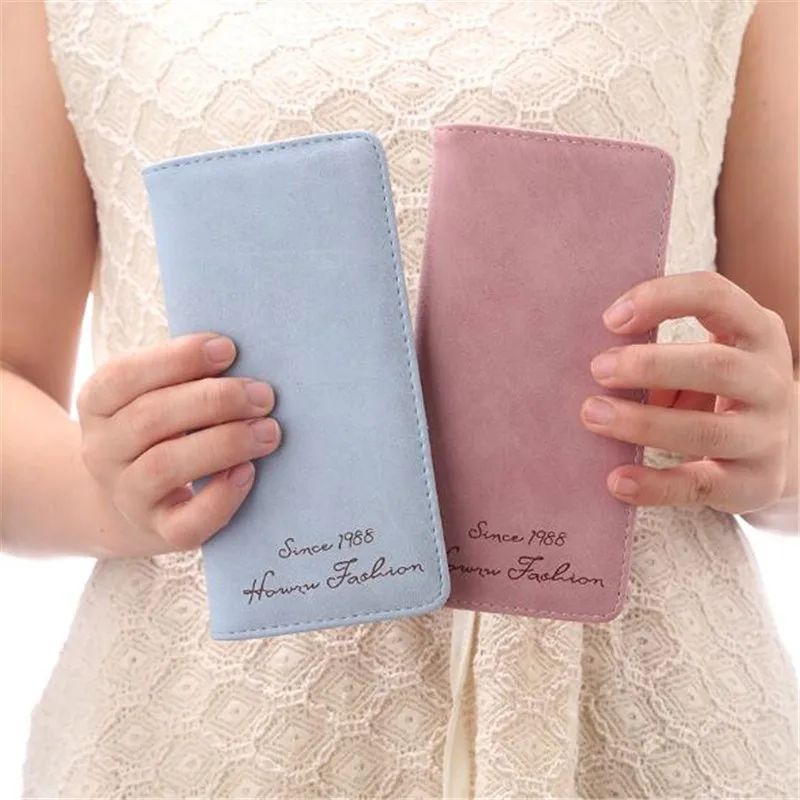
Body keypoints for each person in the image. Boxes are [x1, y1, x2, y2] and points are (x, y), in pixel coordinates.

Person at [2, 0, 797, 797]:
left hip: (646, 714)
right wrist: (106, 494)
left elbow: (782, 370)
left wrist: (780, 452)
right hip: (211, 726)